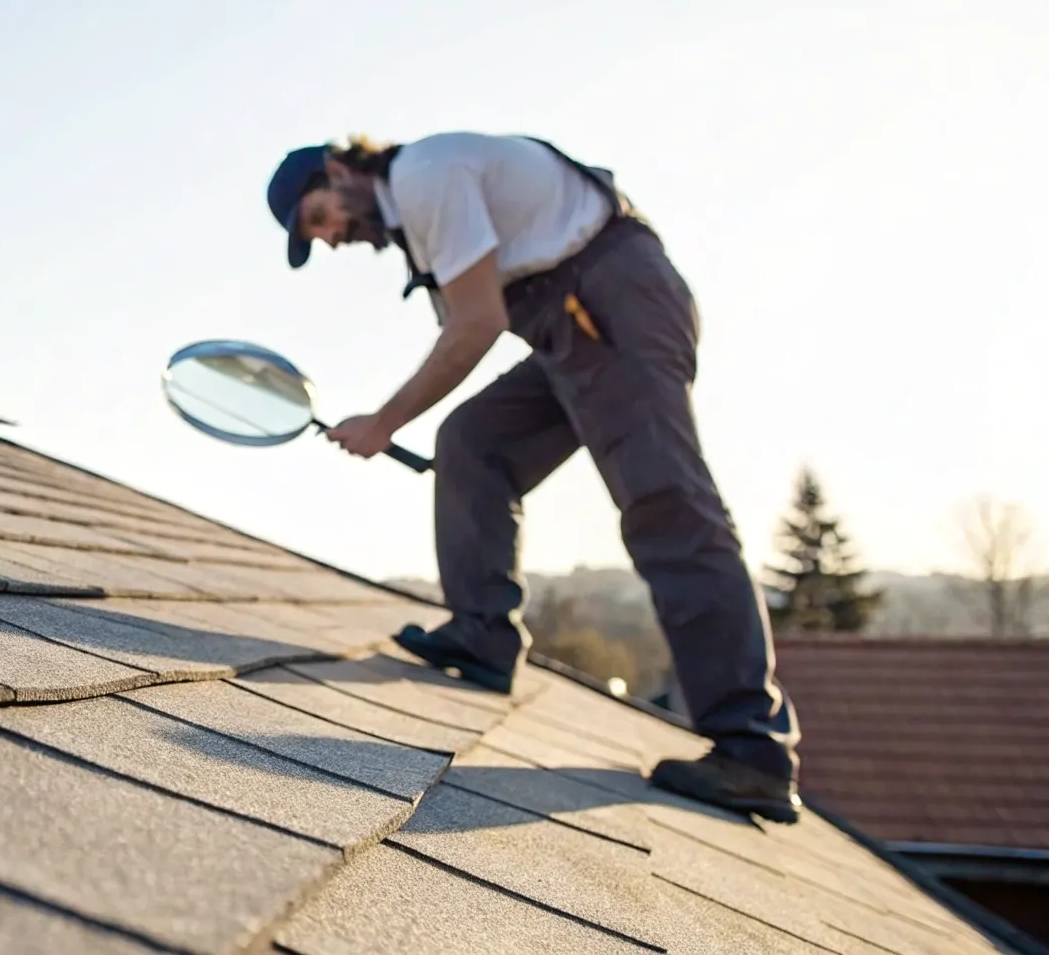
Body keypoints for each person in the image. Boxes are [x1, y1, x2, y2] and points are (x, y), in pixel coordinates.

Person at [264, 132, 803, 824]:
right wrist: (391, 419)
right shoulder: (416, 228)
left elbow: (477, 323)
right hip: (568, 326)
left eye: (318, 218)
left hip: (611, 300)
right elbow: (473, 321)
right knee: (473, 441)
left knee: (666, 506)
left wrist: (384, 421)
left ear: (338, 172)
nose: (332, 237)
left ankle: (751, 748)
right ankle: (483, 634)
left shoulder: (426, 175)